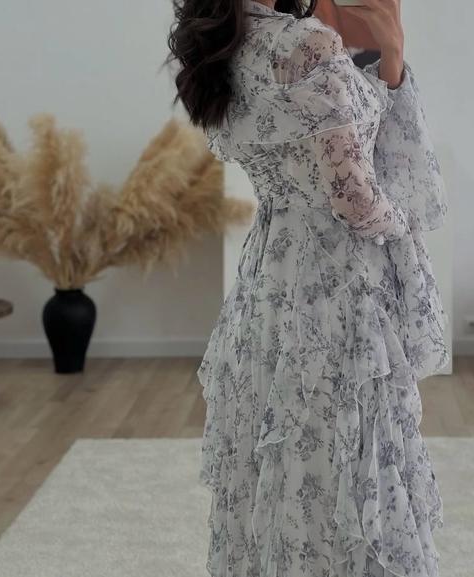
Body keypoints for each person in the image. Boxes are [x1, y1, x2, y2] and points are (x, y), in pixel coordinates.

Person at [167, 1, 450, 575]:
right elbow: (353, 198)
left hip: (270, 276)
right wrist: (402, 224)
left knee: (291, 452)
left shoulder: (228, 48)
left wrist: (391, 57)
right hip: (337, 283)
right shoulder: (305, 45)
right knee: (346, 449)